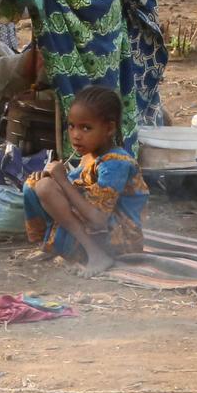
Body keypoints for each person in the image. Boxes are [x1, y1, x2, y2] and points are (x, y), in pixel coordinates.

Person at [22, 84, 146, 275]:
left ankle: (97, 255)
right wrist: (48, 177)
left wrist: (61, 181)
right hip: (100, 230)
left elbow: (98, 219)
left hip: (120, 239)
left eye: (86, 128)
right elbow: (72, 189)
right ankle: (51, 246)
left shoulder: (116, 163)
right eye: (71, 126)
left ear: (110, 128)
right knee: (35, 185)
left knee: (47, 188)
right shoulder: (91, 156)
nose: (75, 135)